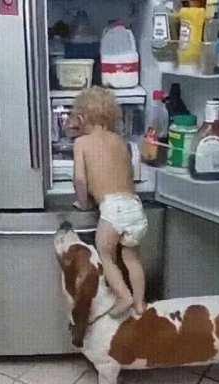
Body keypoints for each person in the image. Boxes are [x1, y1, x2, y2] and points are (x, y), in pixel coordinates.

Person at [67, 86, 148, 317]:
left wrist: (84, 204)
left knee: (106, 254)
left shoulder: (82, 143)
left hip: (113, 209)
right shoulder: (120, 141)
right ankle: (140, 303)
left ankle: (123, 296)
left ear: (81, 118)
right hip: (134, 206)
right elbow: (125, 173)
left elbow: (80, 180)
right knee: (132, 258)